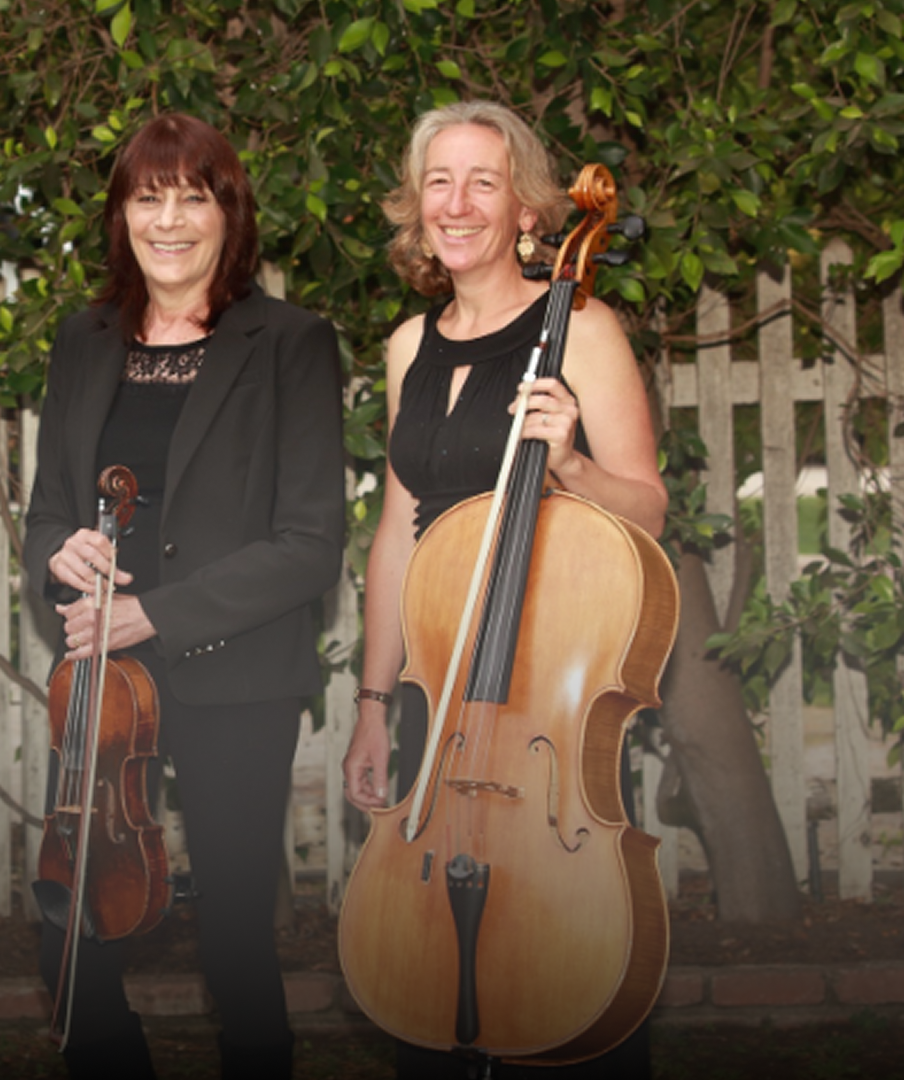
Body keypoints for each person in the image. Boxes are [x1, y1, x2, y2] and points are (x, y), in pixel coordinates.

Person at [337, 101, 668, 1079]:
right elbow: (400, 533)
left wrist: (570, 463)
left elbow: (645, 509)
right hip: (438, 700)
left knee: (565, 988)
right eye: (439, 180)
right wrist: (370, 702)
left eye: (484, 181)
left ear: (526, 208)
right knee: (424, 991)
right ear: (416, 205)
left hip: (548, 701)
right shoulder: (407, 345)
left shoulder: (584, 328)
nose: (458, 202)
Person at [22, 113, 347, 1080]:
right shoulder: (83, 342)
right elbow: (44, 515)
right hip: (100, 672)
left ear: (228, 213)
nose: (169, 220)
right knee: (69, 929)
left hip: (235, 670)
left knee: (236, 938)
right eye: (147, 197)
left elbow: (308, 545)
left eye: (192, 197)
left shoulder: (289, 342)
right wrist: (61, 555)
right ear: (121, 215)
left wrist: (154, 612)